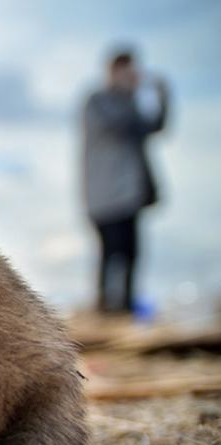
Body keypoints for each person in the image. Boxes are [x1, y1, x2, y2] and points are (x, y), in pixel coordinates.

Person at [82, 47, 170, 315]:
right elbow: (118, 125)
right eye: (128, 70)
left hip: (130, 197)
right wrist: (129, 91)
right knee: (112, 254)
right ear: (114, 71)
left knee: (132, 254)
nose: (133, 76)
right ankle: (106, 308)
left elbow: (155, 126)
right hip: (104, 196)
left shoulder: (129, 104)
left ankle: (127, 307)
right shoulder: (98, 102)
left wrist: (162, 95)